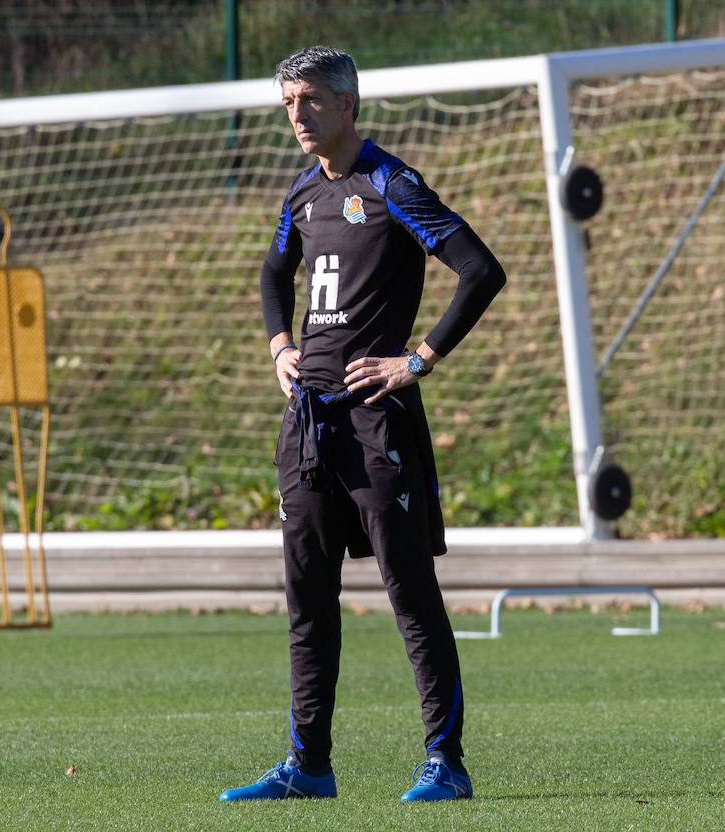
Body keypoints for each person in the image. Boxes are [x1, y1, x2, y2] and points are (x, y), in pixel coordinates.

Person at [218, 45, 506, 803]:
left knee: (410, 592)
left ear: (348, 104)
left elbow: (481, 271)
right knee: (307, 597)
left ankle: (447, 761)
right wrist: (280, 345)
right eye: (288, 104)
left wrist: (416, 361)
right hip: (308, 425)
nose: (298, 116)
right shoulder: (302, 191)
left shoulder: (392, 184)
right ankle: (308, 765)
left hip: (378, 423)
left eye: (310, 100)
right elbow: (271, 273)